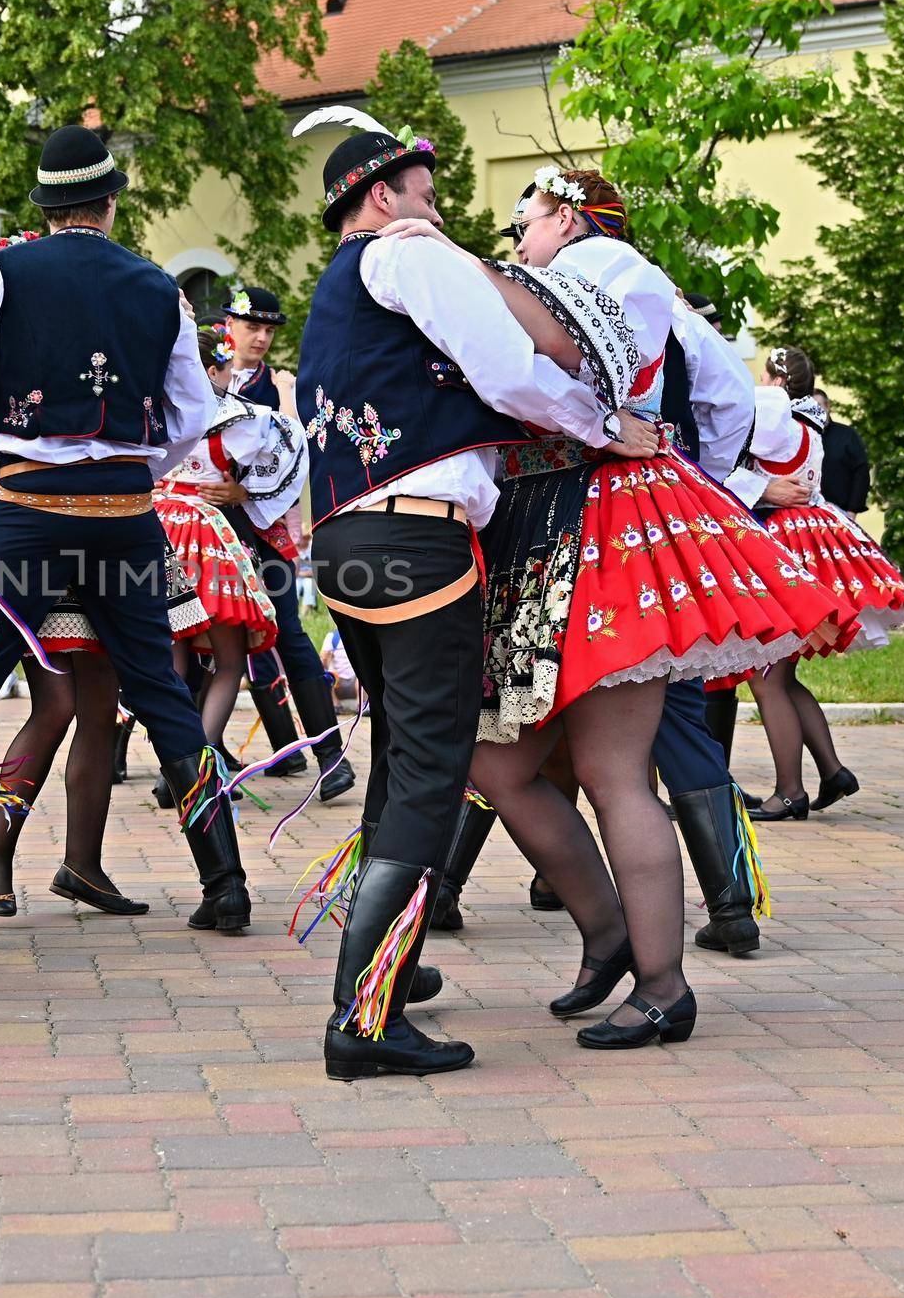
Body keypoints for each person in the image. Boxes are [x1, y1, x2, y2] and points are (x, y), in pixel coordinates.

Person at [294, 122, 662, 1080]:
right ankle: (365, 1019)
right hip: (416, 537)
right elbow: (506, 369)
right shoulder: (409, 253)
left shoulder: (336, 289)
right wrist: (603, 426)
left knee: (397, 766)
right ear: (383, 197)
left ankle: (384, 976)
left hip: (349, 539)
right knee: (429, 770)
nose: (439, 212)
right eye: (425, 191)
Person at [465, 167, 851, 1050]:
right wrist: (701, 477)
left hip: (597, 523)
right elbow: (719, 400)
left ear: (563, 217)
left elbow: (625, 385)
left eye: (524, 222)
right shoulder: (644, 286)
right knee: (503, 764)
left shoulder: (617, 275)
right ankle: (612, 938)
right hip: (569, 518)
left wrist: (669, 476)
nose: (517, 239)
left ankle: (662, 982)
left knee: (608, 770)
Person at [0, 126, 255, 938]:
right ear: (112, 203)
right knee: (161, 694)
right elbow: (195, 413)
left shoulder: (2, 272)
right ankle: (225, 883)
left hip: (23, 512)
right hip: (125, 518)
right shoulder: (161, 287)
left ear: (47, 207)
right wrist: (136, 466)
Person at [0, 444, 209, 917]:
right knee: (56, 704)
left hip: (109, 518)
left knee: (101, 706)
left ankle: (84, 863)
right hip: (27, 514)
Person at [725, 347, 904, 819]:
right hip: (811, 537)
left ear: (776, 381)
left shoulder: (774, 415)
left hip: (781, 542)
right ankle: (833, 770)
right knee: (782, 672)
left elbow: (724, 472)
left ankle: (790, 791)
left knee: (766, 673)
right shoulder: (813, 421)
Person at [150, 323, 307, 802]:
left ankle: (170, 768)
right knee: (229, 659)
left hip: (155, 530)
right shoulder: (233, 415)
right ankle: (194, 772)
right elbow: (291, 445)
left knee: (172, 663)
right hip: (204, 533)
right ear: (213, 368)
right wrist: (287, 398)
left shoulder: (153, 408)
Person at [215, 286, 356, 800]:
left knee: (288, 634)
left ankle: (330, 756)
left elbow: (297, 459)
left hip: (261, 529)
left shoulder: (281, 388)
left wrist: (244, 488)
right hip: (201, 529)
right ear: (227, 325)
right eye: (252, 326)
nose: (261, 337)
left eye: (270, 330)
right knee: (198, 642)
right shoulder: (201, 376)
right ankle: (198, 757)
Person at [818, 390, 872, 520]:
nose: (815, 411)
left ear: (827, 406)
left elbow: (861, 472)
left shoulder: (847, 435)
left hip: (841, 513)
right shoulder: (802, 435)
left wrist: (852, 511)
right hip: (807, 515)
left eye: (818, 406)